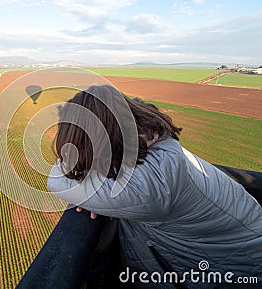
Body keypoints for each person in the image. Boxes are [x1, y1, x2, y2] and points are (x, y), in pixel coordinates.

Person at [47, 84, 262, 288]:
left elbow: (57, 179)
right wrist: (102, 196)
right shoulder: (156, 145)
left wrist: (92, 189)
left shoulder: (150, 185)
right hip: (242, 242)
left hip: (240, 268)